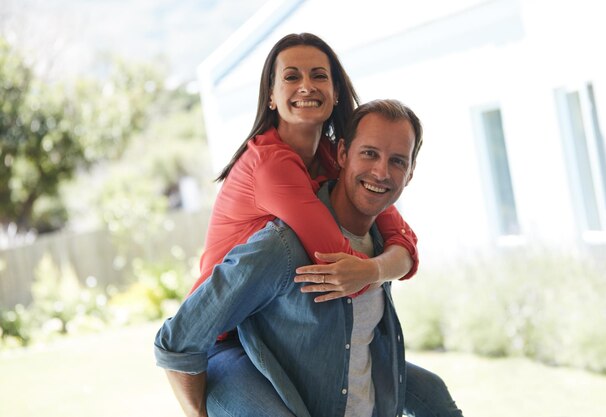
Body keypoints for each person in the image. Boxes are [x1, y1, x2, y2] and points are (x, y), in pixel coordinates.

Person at [154, 99, 464, 417]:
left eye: (397, 161)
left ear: (411, 173)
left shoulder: (383, 242)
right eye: (369, 153)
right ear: (342, 154)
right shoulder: (284, 247)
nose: (382, 171)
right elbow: (179, 338)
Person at [189, 33, 419, 306]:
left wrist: (373, 270)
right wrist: (378, 268)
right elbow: (339, 271)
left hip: (268, 319)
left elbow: (404, 242)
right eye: (291, 77)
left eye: (319, 76)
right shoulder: (270, 165)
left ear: (336, 93)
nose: (307, 86)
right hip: (223, 333)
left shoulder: (334, 156)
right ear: (271, 96)